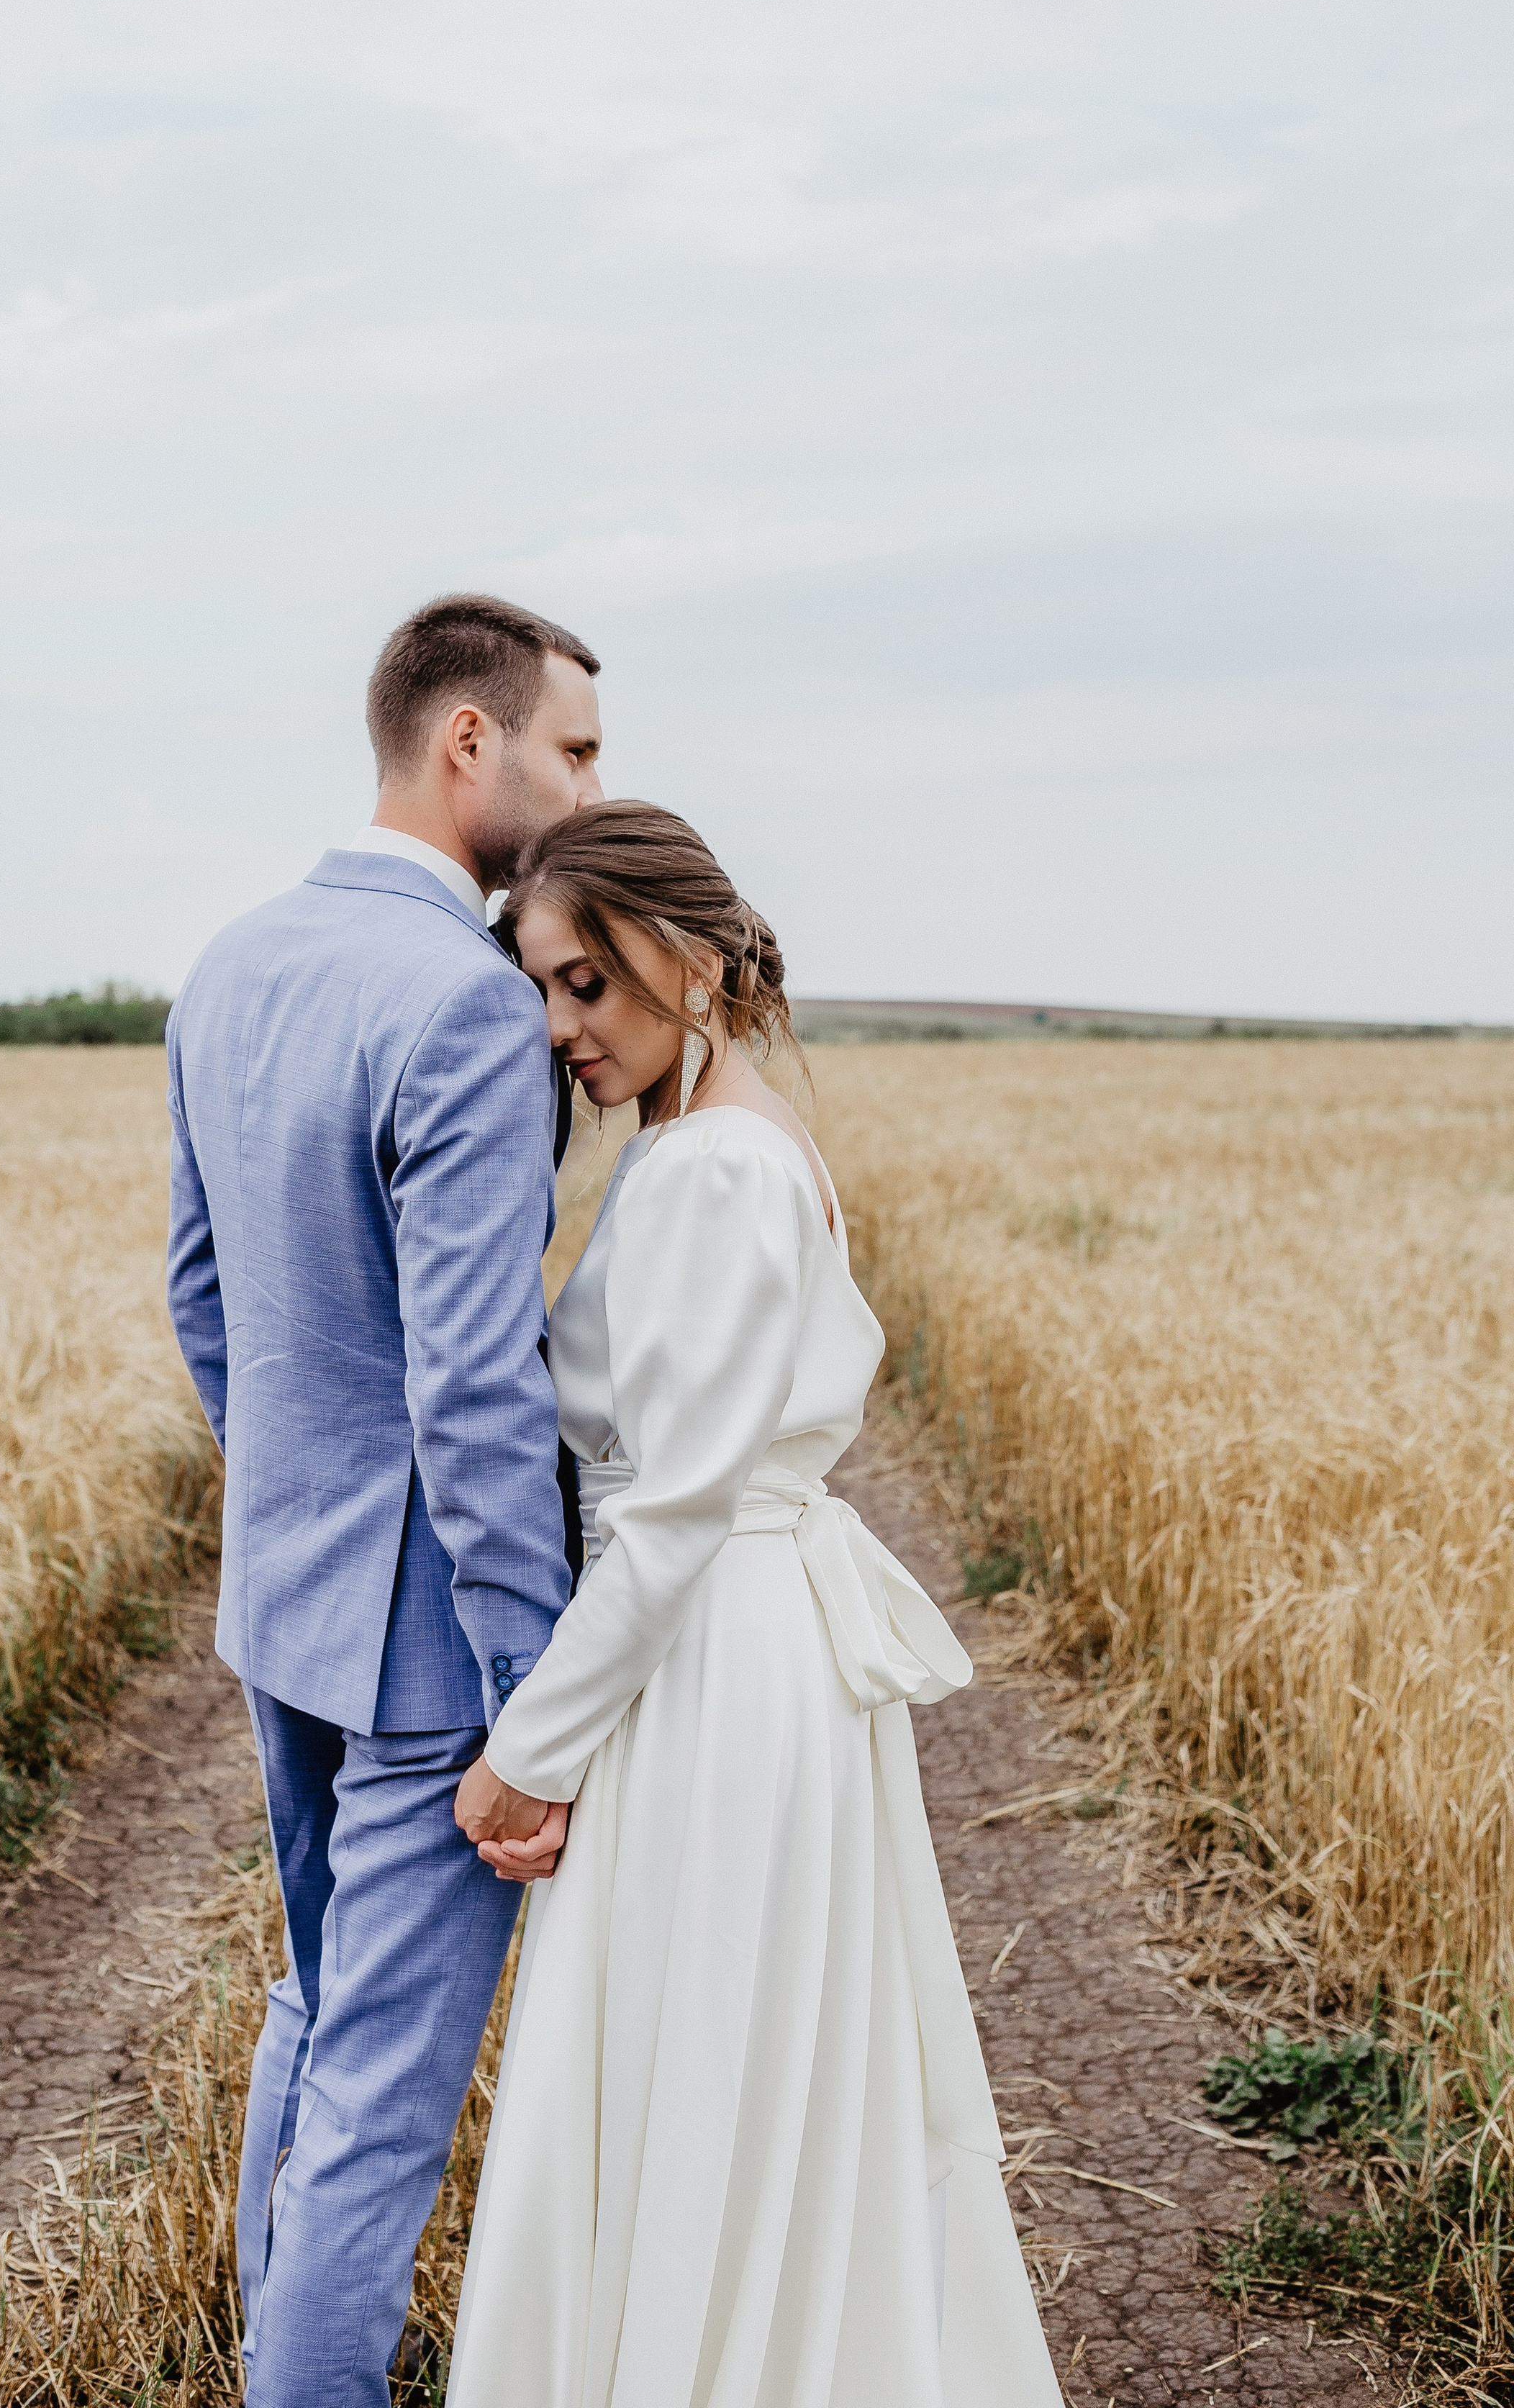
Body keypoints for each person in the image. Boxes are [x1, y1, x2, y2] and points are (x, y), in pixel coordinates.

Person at [445, 801, 1064, 2408]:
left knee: (696, 2055)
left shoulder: (715, 1168)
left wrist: (533, 1747)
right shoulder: (710, 1136)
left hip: (711, 1660)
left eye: (588, 982)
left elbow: (669, 1514)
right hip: (728, 1645)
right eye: (541, 991)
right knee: (723, 2055)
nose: (562, 1028)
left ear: (693, 958)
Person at [164, 594, 604, 2408]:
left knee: (314, 2016)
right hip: (434, 1660)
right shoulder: (461, 1004)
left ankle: (283, 2355)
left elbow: (205, 1303)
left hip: (280, 1607)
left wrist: (295, 1511)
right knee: (383, 2121)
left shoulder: (233, 963)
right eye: (574, 749)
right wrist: (537, 1701)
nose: (593, 789)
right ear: (467, 744)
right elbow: (479, 1388)